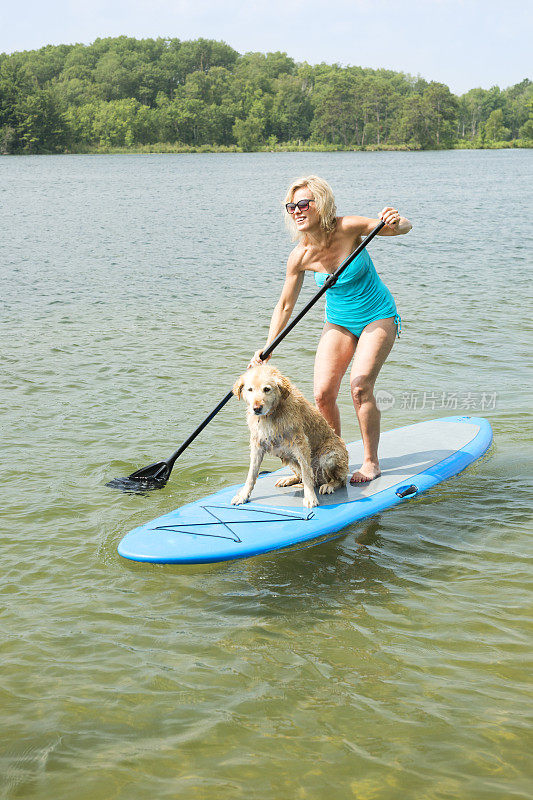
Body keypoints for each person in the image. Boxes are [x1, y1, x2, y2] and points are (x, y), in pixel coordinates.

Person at [250, 175, 412, 483]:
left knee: (360, 385)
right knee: (322, 394)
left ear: (320, 204)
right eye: (291, 206)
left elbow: (402, 228)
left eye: (303, 203)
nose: (296, 211)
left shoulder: (348, 227)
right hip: (339, 321)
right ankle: (331, 460)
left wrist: (397, 219)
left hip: (377, 315)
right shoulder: (300, 256)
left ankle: (370, 462)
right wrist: (266, 349)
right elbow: (285, 305)